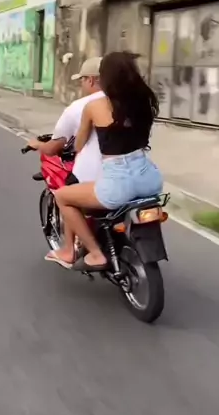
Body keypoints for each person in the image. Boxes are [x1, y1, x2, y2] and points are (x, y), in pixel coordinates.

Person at [50, 51, 163, 271]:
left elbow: (79, 144)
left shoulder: (94, 106)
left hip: (118, 182)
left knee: (62, 196)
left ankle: (94, 253)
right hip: (149, 177)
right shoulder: (144, 101)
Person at [26, 57, 104, 265]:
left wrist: (37, 144)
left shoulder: (81, 108)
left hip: (103, 177)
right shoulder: (129, 103)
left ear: (90, 80)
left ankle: (71, 250)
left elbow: (60, 146)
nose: (81, 85)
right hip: (142, 175)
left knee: (64, 195)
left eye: (82, 80)